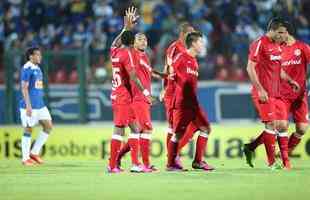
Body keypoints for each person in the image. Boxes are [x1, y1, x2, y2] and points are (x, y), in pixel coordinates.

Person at [243, 17, 300, 170]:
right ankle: (272, 163)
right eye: (280, 33)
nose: (283, 36)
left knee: (283, 125)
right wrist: (260, 89)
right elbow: (250, 67)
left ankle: (252, 148)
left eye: (285, 33)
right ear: (272, 30)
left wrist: (290, 80)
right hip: (262, 92)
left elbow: (278, 69)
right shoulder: (260, 43)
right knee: (272, 124)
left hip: (277, 93)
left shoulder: (279, 46)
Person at [166, 32, 212, 171]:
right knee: (178, 134)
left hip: (193, 104)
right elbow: (171, 74)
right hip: (182, 103)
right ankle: (170, 163)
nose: (203, 45)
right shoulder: (181, 57)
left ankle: (198, 161)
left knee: (205, 128)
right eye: (201, 42)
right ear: (193, 43)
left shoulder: (194, 61)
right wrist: (168, 93)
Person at [20, 47, 53, 166]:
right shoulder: (27, 68)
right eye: (37, 55)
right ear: (31, 56)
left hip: (40, 105)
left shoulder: (37, 68)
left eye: (40, 55)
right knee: (28, 129)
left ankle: (34, 153)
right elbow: (24, 88)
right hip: (30, 106)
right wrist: (28, 106)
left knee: (48, 126)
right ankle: (25, 159)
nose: (40, 57)